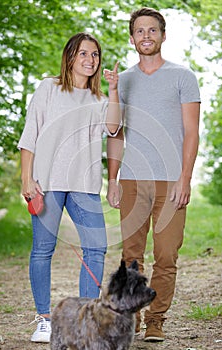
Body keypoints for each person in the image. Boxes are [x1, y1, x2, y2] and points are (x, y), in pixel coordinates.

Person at [18, 32, 121, 343]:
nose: (90, 60)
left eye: (95, 55)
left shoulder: (101, 99)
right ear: (70, 57)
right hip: (46, 182)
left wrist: (114, 90)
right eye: (83, 54)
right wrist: (27, 177)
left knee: (96, 248)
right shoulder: (48, 88)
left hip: (84, 185)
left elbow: (113, 128)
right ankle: (44, 320)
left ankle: (86, 320)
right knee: (42, 251)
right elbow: (30, 134)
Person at [107, 7, 200, 342]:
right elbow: (114, 132)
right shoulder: (124, 81)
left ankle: (156, 320)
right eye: (140, 31)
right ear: (132, 38)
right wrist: (113, 180)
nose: (146, 36)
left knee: (165, 255)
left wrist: (185, 178)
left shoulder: (182, 76)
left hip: (171, 180)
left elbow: (191, 132)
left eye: (152, 30)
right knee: (131, 256)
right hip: (133, 179)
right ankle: (130, 318)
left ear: (163, 35)